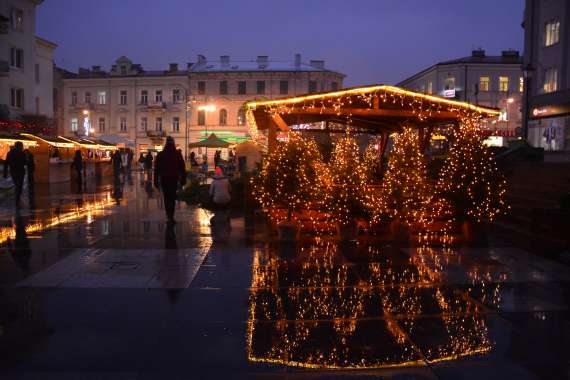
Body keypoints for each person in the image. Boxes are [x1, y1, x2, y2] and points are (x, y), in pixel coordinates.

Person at [154, 137, 186, 223]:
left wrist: (155, 181)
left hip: (164, 179)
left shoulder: (161, 154)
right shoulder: (178, 154)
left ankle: (168, 214)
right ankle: (171, 215)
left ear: (166, 144)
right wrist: (183, 179)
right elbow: (182, 168)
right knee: (172, 196)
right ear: (173, 144)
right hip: (174, 178)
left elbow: (156, 169)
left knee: (166, 197)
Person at [3, 142, 28, 207]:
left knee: (17, 185)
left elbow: (6, 163)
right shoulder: (22, 153)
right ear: (19, 146)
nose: (22, 147)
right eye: (22, 146)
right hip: (20, 172)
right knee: (19, 186)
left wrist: (5, 173)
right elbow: (25, 162)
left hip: (13, 172)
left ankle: (17, 200)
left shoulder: (9, 153)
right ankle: (17, 200)